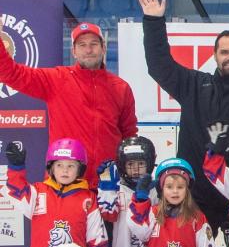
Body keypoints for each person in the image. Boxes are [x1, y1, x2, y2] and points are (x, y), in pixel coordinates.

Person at [138, 0, 229, 229]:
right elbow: (159, 66)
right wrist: (154, 21)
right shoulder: (195, 85)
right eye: (224, 52)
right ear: (215, 56)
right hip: (195, 193)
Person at [0, 21, 137, 189]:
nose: (88, 50)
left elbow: (129, 136)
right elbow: (10, 73)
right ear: (74, 51)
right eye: (82, 45)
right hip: (64, 185)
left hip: (108, 185)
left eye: (94, 44)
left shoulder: (121, 87)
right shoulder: (56, 79)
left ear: (104, 48)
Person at [2, 138, 108, 247]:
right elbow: (16, 191)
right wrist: (16, 168)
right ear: (51, 168)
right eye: (59, 165)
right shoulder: (38, 192)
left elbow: (96, 239)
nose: (65, 171)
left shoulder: (88, 198)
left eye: (71, 166)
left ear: (80, 169)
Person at [127, 158, 215, 247]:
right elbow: (139, 229)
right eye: (169, 187)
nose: (175, 191)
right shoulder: (153, 213)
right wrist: (141, 201)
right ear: (161, 188)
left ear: (187, 188)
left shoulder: (197, 219)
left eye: (180, 187)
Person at [97, 137, 158, 247]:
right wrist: (106, 186)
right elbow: (109, 215)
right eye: (130, 164)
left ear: (149, 163)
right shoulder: (117, 189)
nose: (136, 169)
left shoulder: (156, 191)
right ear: (122, 165)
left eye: (141, 164)